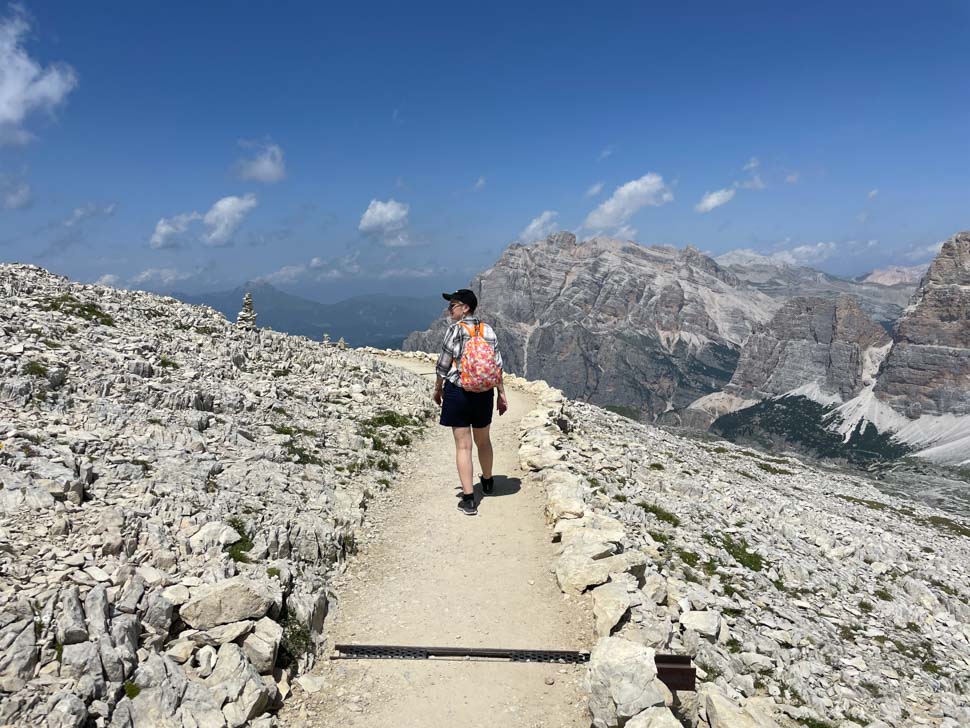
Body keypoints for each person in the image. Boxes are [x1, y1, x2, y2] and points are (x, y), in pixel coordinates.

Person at [433, 288, 509, 516]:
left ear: (465, 308)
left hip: (458, 392)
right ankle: (487, 482)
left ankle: (468, 499)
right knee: (483, 441)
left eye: (452, 305)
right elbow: (497, 366)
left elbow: (443, 364)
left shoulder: (454, 331)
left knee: (463, 446)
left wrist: (438, 388)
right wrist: (501, 393)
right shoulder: (488, 330)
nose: (449, 309)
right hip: (484, 393)